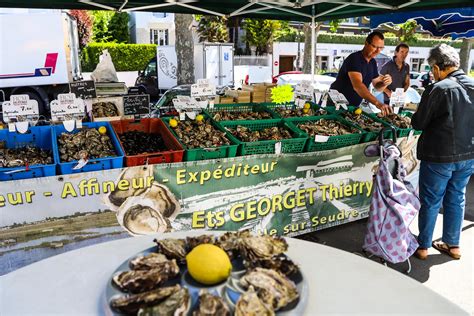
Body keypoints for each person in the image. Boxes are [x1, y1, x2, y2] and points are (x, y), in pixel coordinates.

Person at [412, 44, 474, 260]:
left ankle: (423, 247)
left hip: (439, 154)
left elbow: (418, 123)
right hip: (468, 154)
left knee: (430, 200)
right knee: (457, 197)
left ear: (437, 68)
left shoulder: (438, 88)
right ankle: (453, 245)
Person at [330, 31, 393, 116]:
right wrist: (377, 103)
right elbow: (358, 85)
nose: (378, 51)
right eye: (374, 46)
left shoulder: (372, 62)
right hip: (336, 104)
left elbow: (377, 85)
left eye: (381, 48)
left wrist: (385, 83)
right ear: (366, 43)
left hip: (353, 106)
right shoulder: (354, 59)